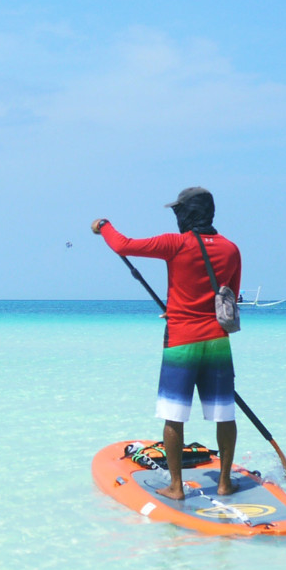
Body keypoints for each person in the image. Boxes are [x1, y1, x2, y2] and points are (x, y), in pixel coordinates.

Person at [92, 186, 242, 501]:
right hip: (217, 340)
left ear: (186, 214)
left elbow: (123, 244)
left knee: (174, 415)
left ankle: (176, 487)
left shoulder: (175, 243)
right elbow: (226, 298)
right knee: (224, 414)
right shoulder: (231, 249)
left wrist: (103, 226)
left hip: (182, 341)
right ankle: (226, 483)